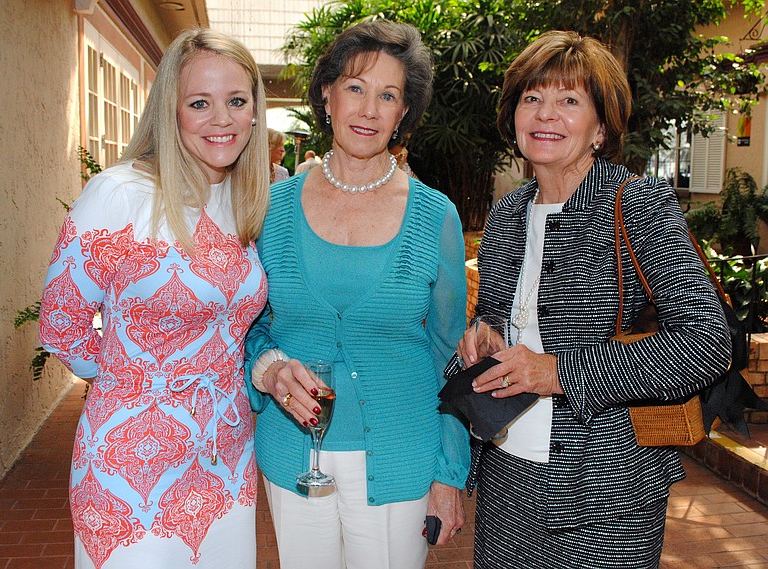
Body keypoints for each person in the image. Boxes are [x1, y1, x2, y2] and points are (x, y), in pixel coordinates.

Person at [451, 30, 731, 568]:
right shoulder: (509, 213)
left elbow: (707, 343)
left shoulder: (638, 204)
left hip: (609, 491)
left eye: (568, 100)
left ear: (601, 127)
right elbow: (501, 319)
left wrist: (557, 372)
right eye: (531, 99)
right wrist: (481, 340)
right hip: (507, 476)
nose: (545, 114)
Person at [38, 27, 270, 569]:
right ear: (171, 111)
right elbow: (61, 323)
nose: (222, 119)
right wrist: (139, 383)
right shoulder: (120, 195)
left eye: (237, 101)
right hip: (128, 468)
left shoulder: (245, 201)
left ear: (255, 112)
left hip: (227, 460)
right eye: (199, 103)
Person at [245, 20, 469, 569]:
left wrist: (448, 471)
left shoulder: (434, 215)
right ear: (326, 95)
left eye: (388, 95)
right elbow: (249, 326)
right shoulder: (271, 208)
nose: (369, 109)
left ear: (403, 113)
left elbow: (452, 354)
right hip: (294, 454)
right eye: (355, 88)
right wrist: (270, 368)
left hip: (401, 457)